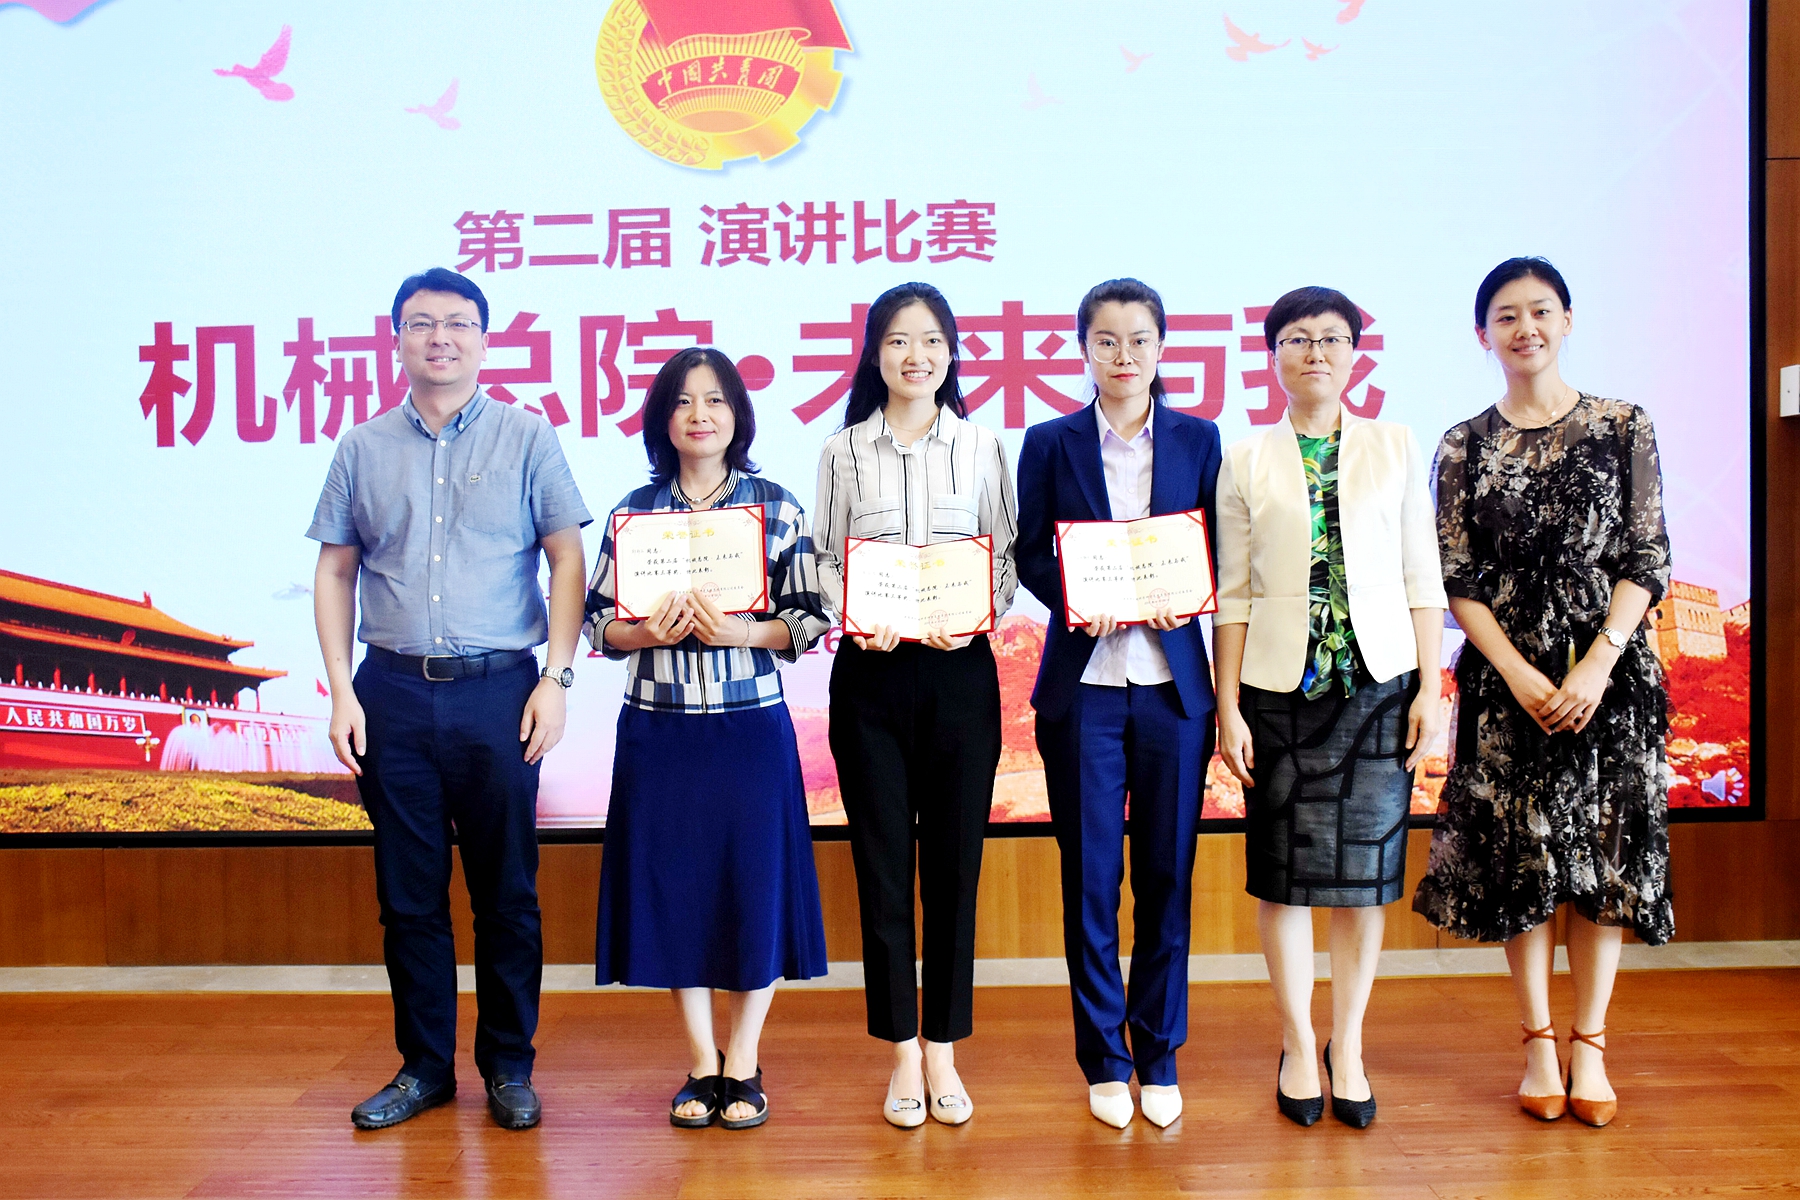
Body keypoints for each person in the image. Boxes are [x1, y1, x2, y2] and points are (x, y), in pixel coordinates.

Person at [308, 267, 591, 1131]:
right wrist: (340, 691)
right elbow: (335, 571)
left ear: (484, 338)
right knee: (409, 898)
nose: (441, 337)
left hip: (500, 693)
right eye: (423, 323)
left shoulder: (527, 435)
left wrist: (557, 677)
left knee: (507, 894)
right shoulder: (362, 447)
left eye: (459, 323)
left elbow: (567, 560)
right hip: (389, 692)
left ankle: (509, 1067)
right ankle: (424, 1069)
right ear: (397, 338)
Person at [1413, 258, 1673, 1128]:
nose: (1525, 328)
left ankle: (1590, 1044)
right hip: (1506, 684)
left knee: (1603, 856)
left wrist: (1598, 662)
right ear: (1481, 334)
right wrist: (1520, 675)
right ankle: (1535, 1042)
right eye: (1506, 316)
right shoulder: (1463, 443)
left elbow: (1647, 556)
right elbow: (1455, 577)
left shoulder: (1623, 425)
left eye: (1540, 311)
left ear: (1567, 320)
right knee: (1521, 859)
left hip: (1611, 681)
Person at [1212, 286, 1447, 1130]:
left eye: (1332, 338)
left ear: (1355, 353)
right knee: (1284, 881)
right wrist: (1227, 706)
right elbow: (1233, 594)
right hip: (1279, 691)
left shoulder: (1395, 445)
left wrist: (1432, 687)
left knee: (1364, 883)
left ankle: (1348, 1045)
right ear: (1273, 354)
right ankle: (1296, 1040)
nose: (1316, 351)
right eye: (1298, 338)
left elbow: (1422, 577)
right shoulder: (1244, 459)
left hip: (1380, 687)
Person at [584, 347, 830, 1130]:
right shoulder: (634, 513)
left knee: (755, 891)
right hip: (659, 733)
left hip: (748, 729)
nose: (700, 414)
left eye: (716, 400)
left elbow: (810, 619)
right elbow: (597, 621)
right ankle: (700, 1061)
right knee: (677, 895)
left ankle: (745, 1061)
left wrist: (744, 632)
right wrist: (638, 633)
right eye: (684, 401)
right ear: (663, 418)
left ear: (737, 415)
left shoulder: (776, 507)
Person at [1014, 278, 1222, 1130]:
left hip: (1174, 690)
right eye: (1106, 340)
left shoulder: (1199, 439)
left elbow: (1217, 547)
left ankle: (1159, 1053)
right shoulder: (1049, 442)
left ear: (1162, 347)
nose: (1124, 355)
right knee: (1091, 883)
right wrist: (1075, 597)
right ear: (1084, 349)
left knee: (1168, 880)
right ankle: (1104, 1058)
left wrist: (1189, 590)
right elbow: (1030, 552)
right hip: (1086, 690)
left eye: (1139, 339)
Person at [813, 281, 1018, 1128]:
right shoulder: (841, 450)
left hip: (960, 676)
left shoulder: (982, 444)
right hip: (871, 678)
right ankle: (902, 1051)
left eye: (932, 339)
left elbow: (1004, 557)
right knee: (884, 869)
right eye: (899, 339)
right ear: (874, 353)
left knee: (955, 873)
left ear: (951, 352)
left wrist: (971, 616)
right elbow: (824, 558)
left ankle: (944, 1050)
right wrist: (857, 616)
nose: (916, 355)